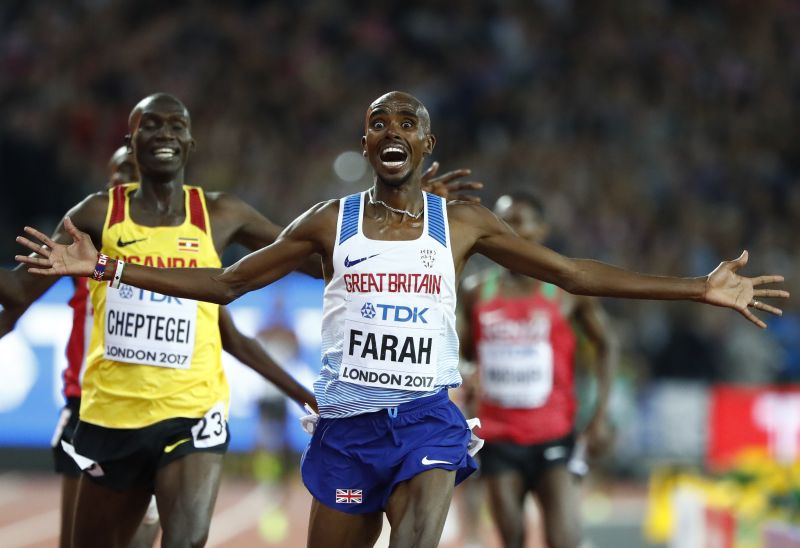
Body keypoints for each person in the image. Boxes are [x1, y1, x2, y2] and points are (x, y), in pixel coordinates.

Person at [16, 90, 788, 548]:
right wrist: (105, 267)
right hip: (348, 430)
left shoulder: (466, 224)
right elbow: (224, 286)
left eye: (407, 125)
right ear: (365, 142)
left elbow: (573, 272)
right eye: (379, 125)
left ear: (427, 143)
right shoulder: (326, 221)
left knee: (420, 528)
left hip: (426, 420)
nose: (392, 135)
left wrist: (698, 288)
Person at [3, 91, 479, 548]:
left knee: (187, 539)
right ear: (128, 141)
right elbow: (23, 291)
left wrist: (401, 225)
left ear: (191, 143)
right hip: (110, 413)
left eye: (176, 126)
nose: (164, 134)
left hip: (194, 411)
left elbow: (314, 260)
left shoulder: (219, 212)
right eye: (150, 125)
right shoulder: (97, 214)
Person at [0, 145, 319, 548]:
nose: (127, 182)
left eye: (134, 173)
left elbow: (232, 335)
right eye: (119, 174)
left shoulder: (184, 250)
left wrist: (305, 396)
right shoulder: (84, 246)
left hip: (184, 414)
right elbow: (15, 302)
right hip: (97, 411)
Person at [459, 190, 616, 548]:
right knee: (511, 538)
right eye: (501, 222)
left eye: (518, 221)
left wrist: (600, 414)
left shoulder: (566, 291)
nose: (508, 230)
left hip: (554, 436)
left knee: (564, 540)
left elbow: (607, 344)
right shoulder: (476, 291)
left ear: (541, 230)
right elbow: (459, 353)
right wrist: (466, 368)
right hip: (497, 437)